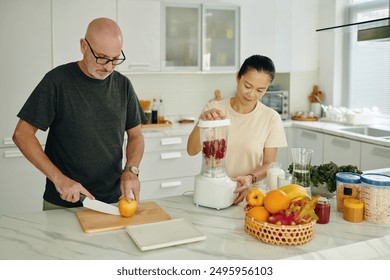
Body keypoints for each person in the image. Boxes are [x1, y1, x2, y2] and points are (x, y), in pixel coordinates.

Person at [12, 18, 147, 210]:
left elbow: (136, 135)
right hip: (64, 202)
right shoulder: (57, 81)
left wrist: (131, 170)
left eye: (115, 59)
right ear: (83, 46)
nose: (108, 67)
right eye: (101, 57)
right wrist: (59, 179)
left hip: (111, 202)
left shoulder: (123, 85)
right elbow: (22, 135)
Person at [187, 55, 287, 205]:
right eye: (247, 86)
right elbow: (191, 150)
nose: (252, 94)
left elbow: (269, 164)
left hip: (249, 196)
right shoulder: (214, 109)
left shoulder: (271, 118)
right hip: (213, 192)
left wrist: (250, 178)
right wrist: (202, 122)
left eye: (260, 90)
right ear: (237, 77)